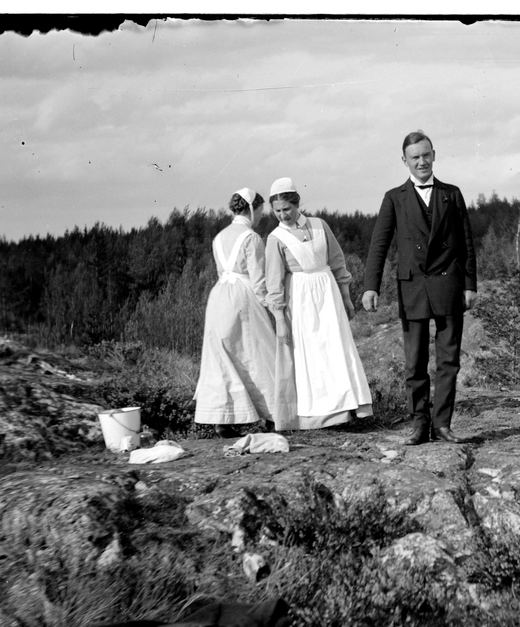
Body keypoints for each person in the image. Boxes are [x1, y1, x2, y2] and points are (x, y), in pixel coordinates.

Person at [362, 131, 478, 446]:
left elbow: (466, 242)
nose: (422, 162)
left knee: (448, 361)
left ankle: (442, 426)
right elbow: (379, 244)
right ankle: (418, 426)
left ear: (434, 155)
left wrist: (469, 284)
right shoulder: (394, 197)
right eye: (415, 157)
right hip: (412, 288)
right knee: (414, 363)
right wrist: (371, 286)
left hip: (448, 286)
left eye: (426, 155)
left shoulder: (452, 194)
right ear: (405, 161)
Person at [263, 177, 373, 430]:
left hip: (328, 293)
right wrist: (280, 318)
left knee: (335, 346)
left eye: (287, 209)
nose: (283, 215)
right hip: (300, 301)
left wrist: (346, 297)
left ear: (297, 204)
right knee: (310, 353)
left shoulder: (319, 225)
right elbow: (274, 282)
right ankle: (320, 415)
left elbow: (336, 261)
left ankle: (347, 408)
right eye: (277, 211)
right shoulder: (276, 238)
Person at [193, 187, 293, 436]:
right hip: (243, 297)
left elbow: (221, 273)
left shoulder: (218, 238)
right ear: (252, 209)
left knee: (223, 356)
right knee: (259, 352)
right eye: (259, 211)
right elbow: (259, 281)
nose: (260, 217)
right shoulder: (251, 238)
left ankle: (223, 419)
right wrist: (273, 308)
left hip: (219, 297)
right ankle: (275, 416)